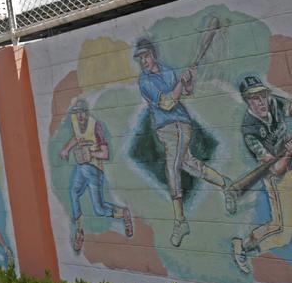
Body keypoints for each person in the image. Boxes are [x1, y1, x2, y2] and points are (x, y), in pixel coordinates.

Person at [134, 36, 235, 247]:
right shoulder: (144, 81)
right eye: (140, 58)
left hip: (179, 125)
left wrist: (188, 81)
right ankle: (226, 184)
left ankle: (180, 221)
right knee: (189, 163)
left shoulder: (168, 71)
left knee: (172, 166)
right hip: (165, 128)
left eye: (146, 56)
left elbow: (184, 95)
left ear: (153, 54)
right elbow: (168, 102)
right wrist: (181, 84)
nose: (144, 61)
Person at [230, 76, 292, 274]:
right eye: (255, 98)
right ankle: (246, 247)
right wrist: (289, 153)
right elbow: (275, 169)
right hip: (277, 176)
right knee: (281, 232)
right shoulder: (249, 131)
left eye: (262, 95)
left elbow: (289, 108)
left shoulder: (273, 102)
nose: (261, 101)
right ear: (247, 100)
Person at [58, 98, 133, 253]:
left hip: (94, 169)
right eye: (77, 113)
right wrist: (66, 149)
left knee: (99, 209)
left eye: (82, 112)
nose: (79, 116)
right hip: (81, 168)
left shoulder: (96, 126)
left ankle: (122, 213)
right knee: (73, 192)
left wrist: (90, 153)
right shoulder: (75, 122)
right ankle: (79, 230)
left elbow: (105, 154)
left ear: (87, 112)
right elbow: (76, 137)